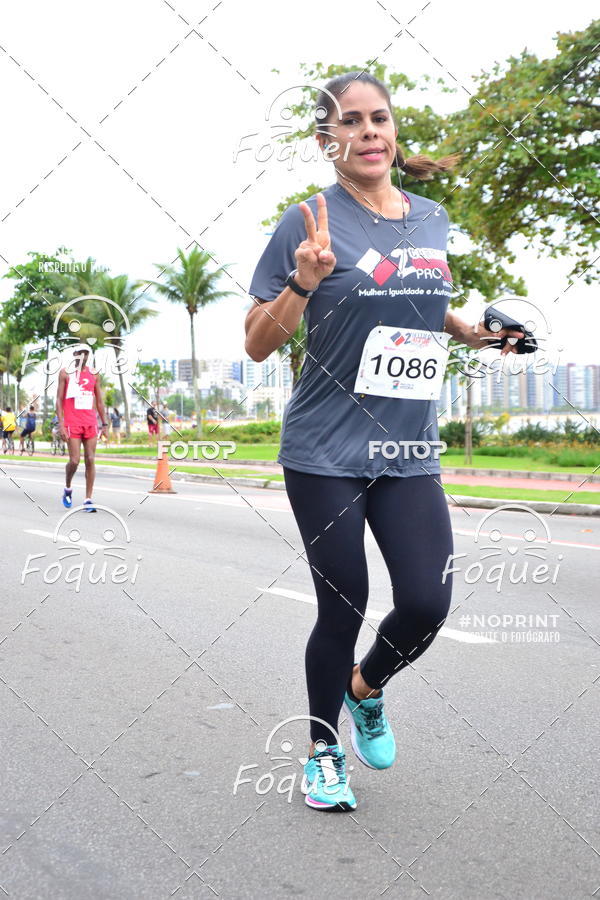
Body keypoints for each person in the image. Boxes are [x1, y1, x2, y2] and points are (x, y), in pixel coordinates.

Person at [245, 72, 526, 812]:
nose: (369, 131)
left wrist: (474, 329)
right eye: (351, 122)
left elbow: (419, 305)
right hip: (324, 452)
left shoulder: (429, 218)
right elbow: (256, 345)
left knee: (428, 603)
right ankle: (323, 751)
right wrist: (301, 285)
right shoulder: (305, 220)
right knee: (344, 605)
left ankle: (364, 689)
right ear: (326, 140)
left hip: (407, 451)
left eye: (380, 119)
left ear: (394, 133)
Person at [56, 348, 108, 512]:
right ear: (74, 355)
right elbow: (58, 400)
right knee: (74, 461)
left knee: (91, 459)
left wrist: (104, 424)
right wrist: (61, 424)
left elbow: (99, 402)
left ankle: (88, 499)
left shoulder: (94, 374)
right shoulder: (65, 373)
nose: (83, 356)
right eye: (80, 352)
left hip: (90, 422)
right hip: (72, 423)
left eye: (86, 353)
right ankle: (68, 488)